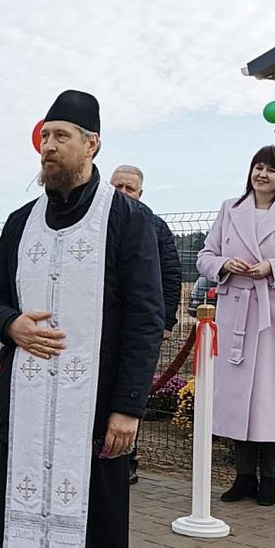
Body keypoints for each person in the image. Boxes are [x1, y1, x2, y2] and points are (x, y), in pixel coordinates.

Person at [0, 91, 164, 548]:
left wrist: (128, 408)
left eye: (62, 136)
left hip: (94, 405)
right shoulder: (21, 223)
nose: (49, 147)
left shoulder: (127, 221)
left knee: (92, 515)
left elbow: (148, 317)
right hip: (27, 404)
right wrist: (11, 323)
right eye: (45, 137)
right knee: (13, 512)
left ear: (92, 145)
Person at [197, 145, 275, 507]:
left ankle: (269, 481)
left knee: (273, 400)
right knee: (238, 400)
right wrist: (225, 264)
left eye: (271, 170)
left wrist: (274, 268)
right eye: (258, 167)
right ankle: (242, 477)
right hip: (237, 313)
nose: (263, 175)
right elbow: (205, 256)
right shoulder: (231, 209)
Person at [109, 166, 183, 483]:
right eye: (118, 186)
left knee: (129, 392)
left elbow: (170, 275)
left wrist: (165, 321)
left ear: (140, 193)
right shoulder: (95, 222)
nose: (124, 192)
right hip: (103, 326)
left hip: (139, 327)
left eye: (130, 188)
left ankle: (126, 461)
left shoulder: (155, 227)